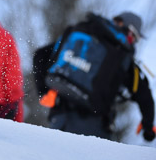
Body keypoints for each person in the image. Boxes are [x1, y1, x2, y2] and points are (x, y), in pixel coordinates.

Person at [33, 11, 155, 141]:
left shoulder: (84, 30)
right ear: (130, 32)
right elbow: (144, 96)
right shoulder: (121, 55)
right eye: (135, 38)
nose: (134, 43)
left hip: (60, 116)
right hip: (93, 126)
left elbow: (40, 54)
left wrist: (43, 91)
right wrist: (148, 127)